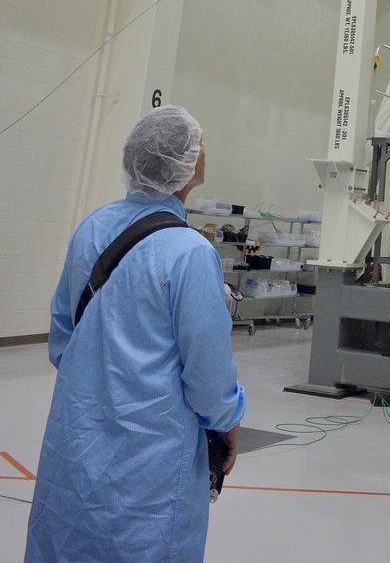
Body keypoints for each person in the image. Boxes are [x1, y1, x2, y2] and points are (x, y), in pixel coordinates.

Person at [25, 106, 246, 563]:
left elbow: (62, 340)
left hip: (76, 441)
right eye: (196, 142)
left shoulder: (92, 229)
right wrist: (229, 425)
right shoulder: (190, 253)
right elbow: (207, 379)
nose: (203, 149)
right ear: (184, 166)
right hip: (149, 460)